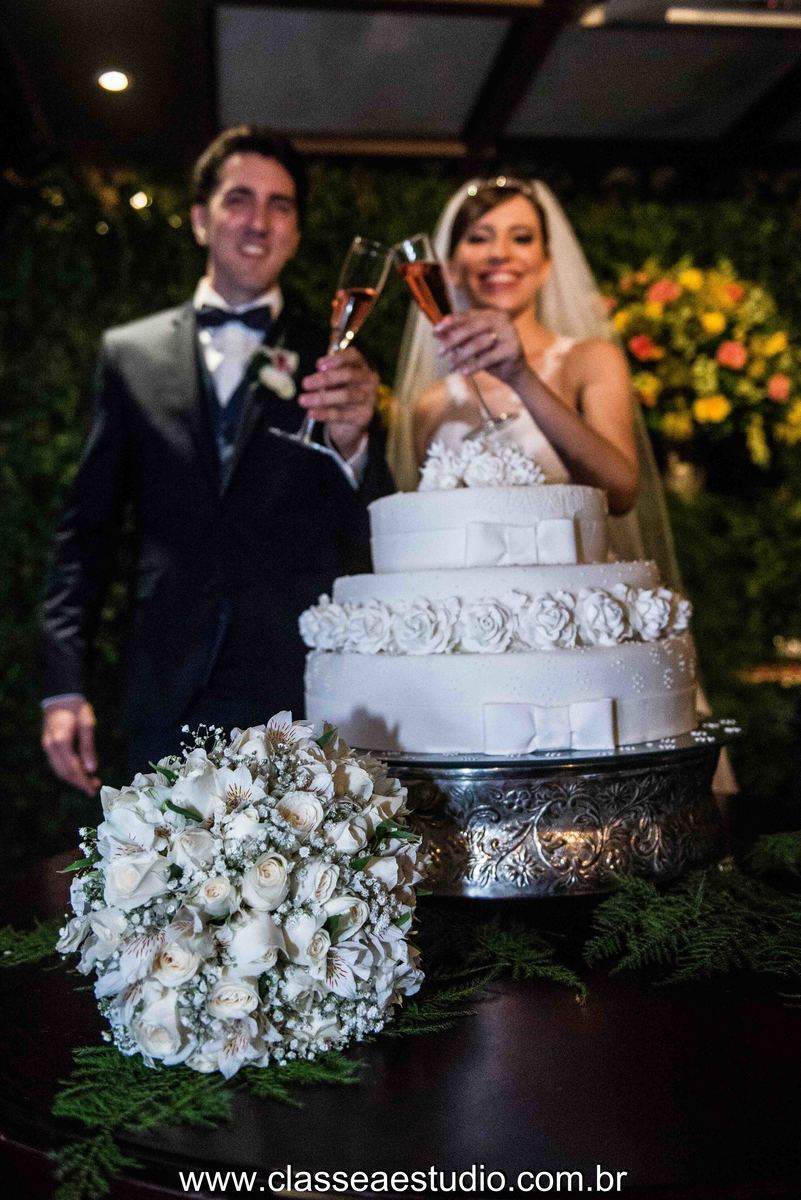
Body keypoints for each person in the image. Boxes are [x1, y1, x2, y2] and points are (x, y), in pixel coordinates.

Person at [40, 125, 394, 793]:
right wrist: (62, 687)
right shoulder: (129, 354)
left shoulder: (339, 361)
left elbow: (371, 535)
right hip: (166, 680)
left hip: (299, 680)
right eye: (239, 199)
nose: (258, 222)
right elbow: (84, 532)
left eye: (280, 205)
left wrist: (354, 444)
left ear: (295, 230)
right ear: (201, 219)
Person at [389, 176, 682, 587]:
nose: (500, 254)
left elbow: (620, 492)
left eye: (522, 238)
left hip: (574, 603)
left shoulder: (589, 360)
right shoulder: (432, 404)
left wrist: (520, 376)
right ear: (450, 267)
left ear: (546, 264)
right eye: (479, 238)